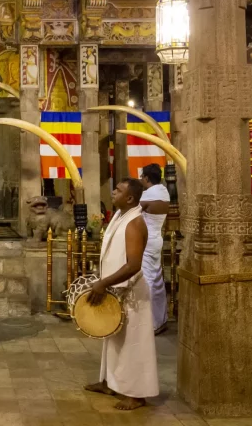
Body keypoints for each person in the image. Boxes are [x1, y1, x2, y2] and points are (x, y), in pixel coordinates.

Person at [83, 178, 159, 410]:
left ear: (130, 198)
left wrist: (104, 283)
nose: (113, 193)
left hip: (132, 293)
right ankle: (109, 382)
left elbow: (134, 264)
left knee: (132, 343)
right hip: (116, 290)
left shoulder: (135, 223)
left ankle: (136, 394)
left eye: (118, 191)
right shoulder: (120, 215)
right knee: (113, 338)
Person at [139, 163, 170, 334]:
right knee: (157, 279)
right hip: (157, 237)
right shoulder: (164, 192)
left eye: (142, 177)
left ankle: (150, 323)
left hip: (146, 239)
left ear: (147, 178)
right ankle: (160, 320)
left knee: (148, 280)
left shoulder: (147, 195)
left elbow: (132, 212)